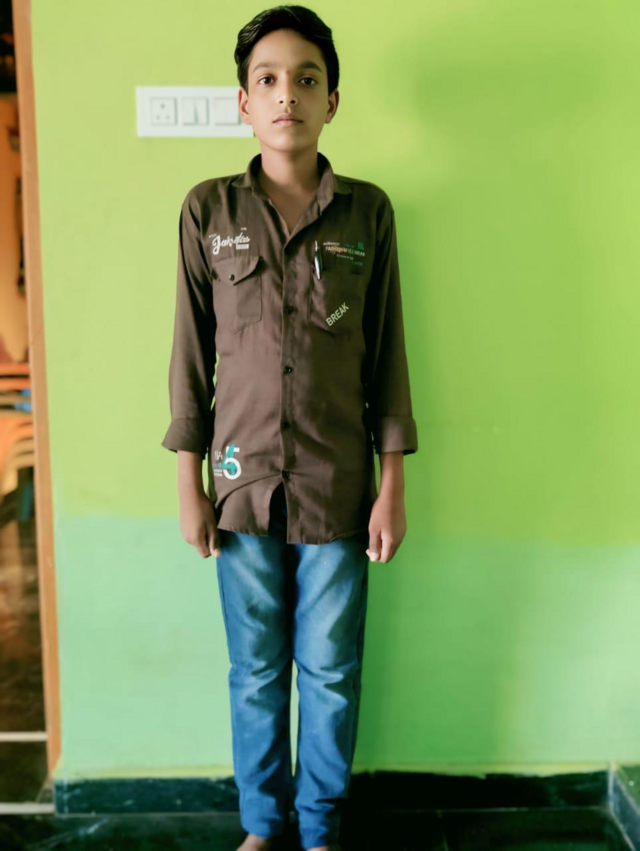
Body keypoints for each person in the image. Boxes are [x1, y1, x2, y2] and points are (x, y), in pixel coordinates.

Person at [161, 6, 418, 850]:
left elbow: (387, 355)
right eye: (267, 80)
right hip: (239, 487)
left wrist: (392, 486)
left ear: (331, 100)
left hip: (340, 487)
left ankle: (319, 828)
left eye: (306, 79)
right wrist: (189, 484)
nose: (287, 95)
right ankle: (263, 825)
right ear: (243, 102)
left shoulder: (368, 214)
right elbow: (190, 355)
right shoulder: (208, 211)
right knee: (256, 670)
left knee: (333, 672)